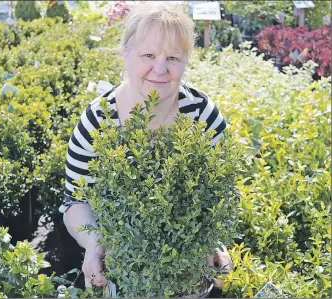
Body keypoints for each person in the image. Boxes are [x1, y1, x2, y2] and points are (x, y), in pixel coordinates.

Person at [60, 2, 232, 290]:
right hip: (122, 269)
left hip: (186, 273)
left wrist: (211, 242)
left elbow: (220, 193)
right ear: (124, 53)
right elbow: (74, 202)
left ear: (186, 60)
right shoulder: (98, 120)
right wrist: (94, 243)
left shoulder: (203, 116)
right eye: (148, 55)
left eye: (173, 57)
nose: (160, 69)